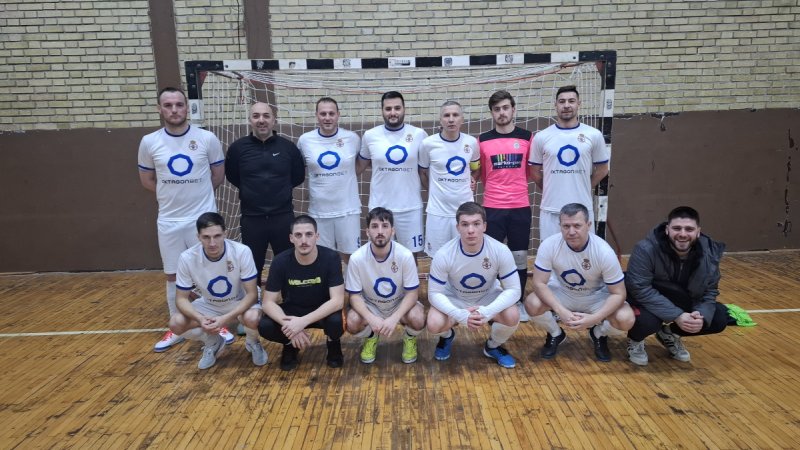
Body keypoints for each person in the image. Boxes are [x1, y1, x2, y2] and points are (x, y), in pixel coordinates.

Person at [138, 86, 232, 352]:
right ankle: (177, 327)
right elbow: (147, 180)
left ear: (187, 108)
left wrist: (196, 198)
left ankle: (218, 323)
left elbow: (217, 176)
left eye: (179, 104)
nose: (174, 110)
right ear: (159, 109)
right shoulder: (149, 142)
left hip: (201, 220)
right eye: (168, 105)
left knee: (210, 271)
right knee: (173, 276)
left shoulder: (206, 138)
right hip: (169, 221)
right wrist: (172, 197)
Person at [524, 203, 634, 362]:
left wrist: (595, 318)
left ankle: (598, 334)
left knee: (626, 319)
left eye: (577, 226)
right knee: (532, 303)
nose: (571, 232)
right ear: (560, 226)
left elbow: (619, 293)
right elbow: (539, 283)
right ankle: (556, 333)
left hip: (595, 297)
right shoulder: (549, 245)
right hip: (564, 293)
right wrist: (560, 311)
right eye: (566, 226)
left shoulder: (603, 252)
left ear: (588, 225)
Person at [625, 206, 728, 366]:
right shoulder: (645, 249)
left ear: (698, 232)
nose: (683, 234)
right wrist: (677, 315)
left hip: (683, 299)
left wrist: (700, 315)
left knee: (718, 318)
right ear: (667, 230)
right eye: (677, 228)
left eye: (689, 229)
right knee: (647, 322)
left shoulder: (709, 253)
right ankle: (635, 340)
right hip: (649, 301)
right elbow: (639, 288)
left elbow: (710, 290)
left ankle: (669, 334)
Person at [426, 202, 522, 368]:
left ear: (484, 226)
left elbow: (514, 290)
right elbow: (433, 294)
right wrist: (460, 315)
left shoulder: (500, 250)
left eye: (476, 224)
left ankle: (493, 346)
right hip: (456, 298)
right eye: (465, 224)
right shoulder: (444, 254)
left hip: (487, 297)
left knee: (512, 315)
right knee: (434, 323)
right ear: (458, 227)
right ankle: (447, 336)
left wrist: (487, 312)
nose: (471, 230)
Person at [168, 212, 267, 369]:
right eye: (206, 237)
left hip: (239, 302)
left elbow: (252, 294)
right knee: (176, 323)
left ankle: (253, 342)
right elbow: (181, 299)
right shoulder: (187, 257)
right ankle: (213, 342)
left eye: (217, 236)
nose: (212, 243)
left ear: (225, 234)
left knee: (252, 318)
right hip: (209, 304)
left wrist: (225, 319)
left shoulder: (241, 251)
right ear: (198, 237)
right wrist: (200, 319)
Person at [225, 102, 305, 288]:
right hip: (252, 219)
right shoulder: (238, 148)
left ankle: (289, 300)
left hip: (282, 217)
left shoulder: (288, 147)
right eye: (256, 116)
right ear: (250, 120)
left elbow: (298, 177)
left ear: (274, 120)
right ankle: (254, 301)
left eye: (266, 116)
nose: (261, 120)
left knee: (288, 264)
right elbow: (233, 176)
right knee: (252, 265)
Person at [258, 215, 345, 371]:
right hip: (293, 311)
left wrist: (303, 322)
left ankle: (333, 343)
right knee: (265, 326)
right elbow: (267, 303)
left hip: (322, 311)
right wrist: (290, 328)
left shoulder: (331, 257)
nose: (304, 240)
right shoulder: (280, 261)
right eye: (298, 235)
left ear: (317, 236)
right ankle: (289, 344)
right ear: (291, 238)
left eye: (309, 234)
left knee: (337, 322)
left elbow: (338, 301)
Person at [476, 90, 534, 320]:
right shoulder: (482, 140)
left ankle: (518, 301)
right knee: (491, 258)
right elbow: (481, 174)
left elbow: (529, 172)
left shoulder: (528, 137)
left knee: (519, 256)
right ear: (492, 112)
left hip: (520, 207)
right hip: (492, 207)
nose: (502, 113)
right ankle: (492, 301)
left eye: (505, 108)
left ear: (513, 109)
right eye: (497, 109)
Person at [528, 85, 610, 240]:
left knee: (582, 252)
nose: (566, 105)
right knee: (551, 253)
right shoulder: (541, 137)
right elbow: (534, 172)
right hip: (551, 210)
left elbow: (603, 168)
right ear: (555, 105)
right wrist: (551, 187)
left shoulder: (593, 134)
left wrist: (585, 185)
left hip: (582, 210)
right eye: (562, 101)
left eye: (571, 101)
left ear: (579, 104)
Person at [345, 207, 425, 364]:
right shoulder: (357, 258)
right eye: (374, 226)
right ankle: (371, 337)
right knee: (352, 321)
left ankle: (410, 338)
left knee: (418, 317)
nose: (380, 231)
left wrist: (394, 318)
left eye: (385, 226)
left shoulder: (405, 255)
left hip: (398, 305)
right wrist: (371, 318)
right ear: (367, 232)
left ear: (393, 231)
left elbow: (412, 294)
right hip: (372, 306)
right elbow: (354, 296)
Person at [357, 91, 428, 254]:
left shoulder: (419, 134)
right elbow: (359, 166)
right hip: (379, 207)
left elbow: (426, 170)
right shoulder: (370, 135)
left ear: (404, 109)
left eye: (397, 108)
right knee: (380, 254)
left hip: (410, 207)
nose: (393, 113)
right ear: (382, 111)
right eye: (388, 109)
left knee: (411, 256)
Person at [297, 97, 363, 264]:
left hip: (348, 210)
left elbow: (359, 165)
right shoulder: (305, 140)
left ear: (338, 115)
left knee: (351, 258)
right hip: (319, 212)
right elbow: (300, 168)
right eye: (323, 114)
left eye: (331, 114)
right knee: (323, 258)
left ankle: (351, 283)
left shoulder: (352, 138)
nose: (327, 118)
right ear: (316, 115)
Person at [418, 100, 480, 257]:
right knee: (438, 257)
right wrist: (434, 190)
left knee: (466, 256)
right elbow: (422, 173)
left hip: (465, 212)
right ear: (440, 120)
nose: (451, 119)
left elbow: (476, 168)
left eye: (455, 115)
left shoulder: (471, 143)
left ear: (462, 119)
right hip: (437, 213)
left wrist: (473, 179)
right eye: (446, 115)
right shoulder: (427, 144)